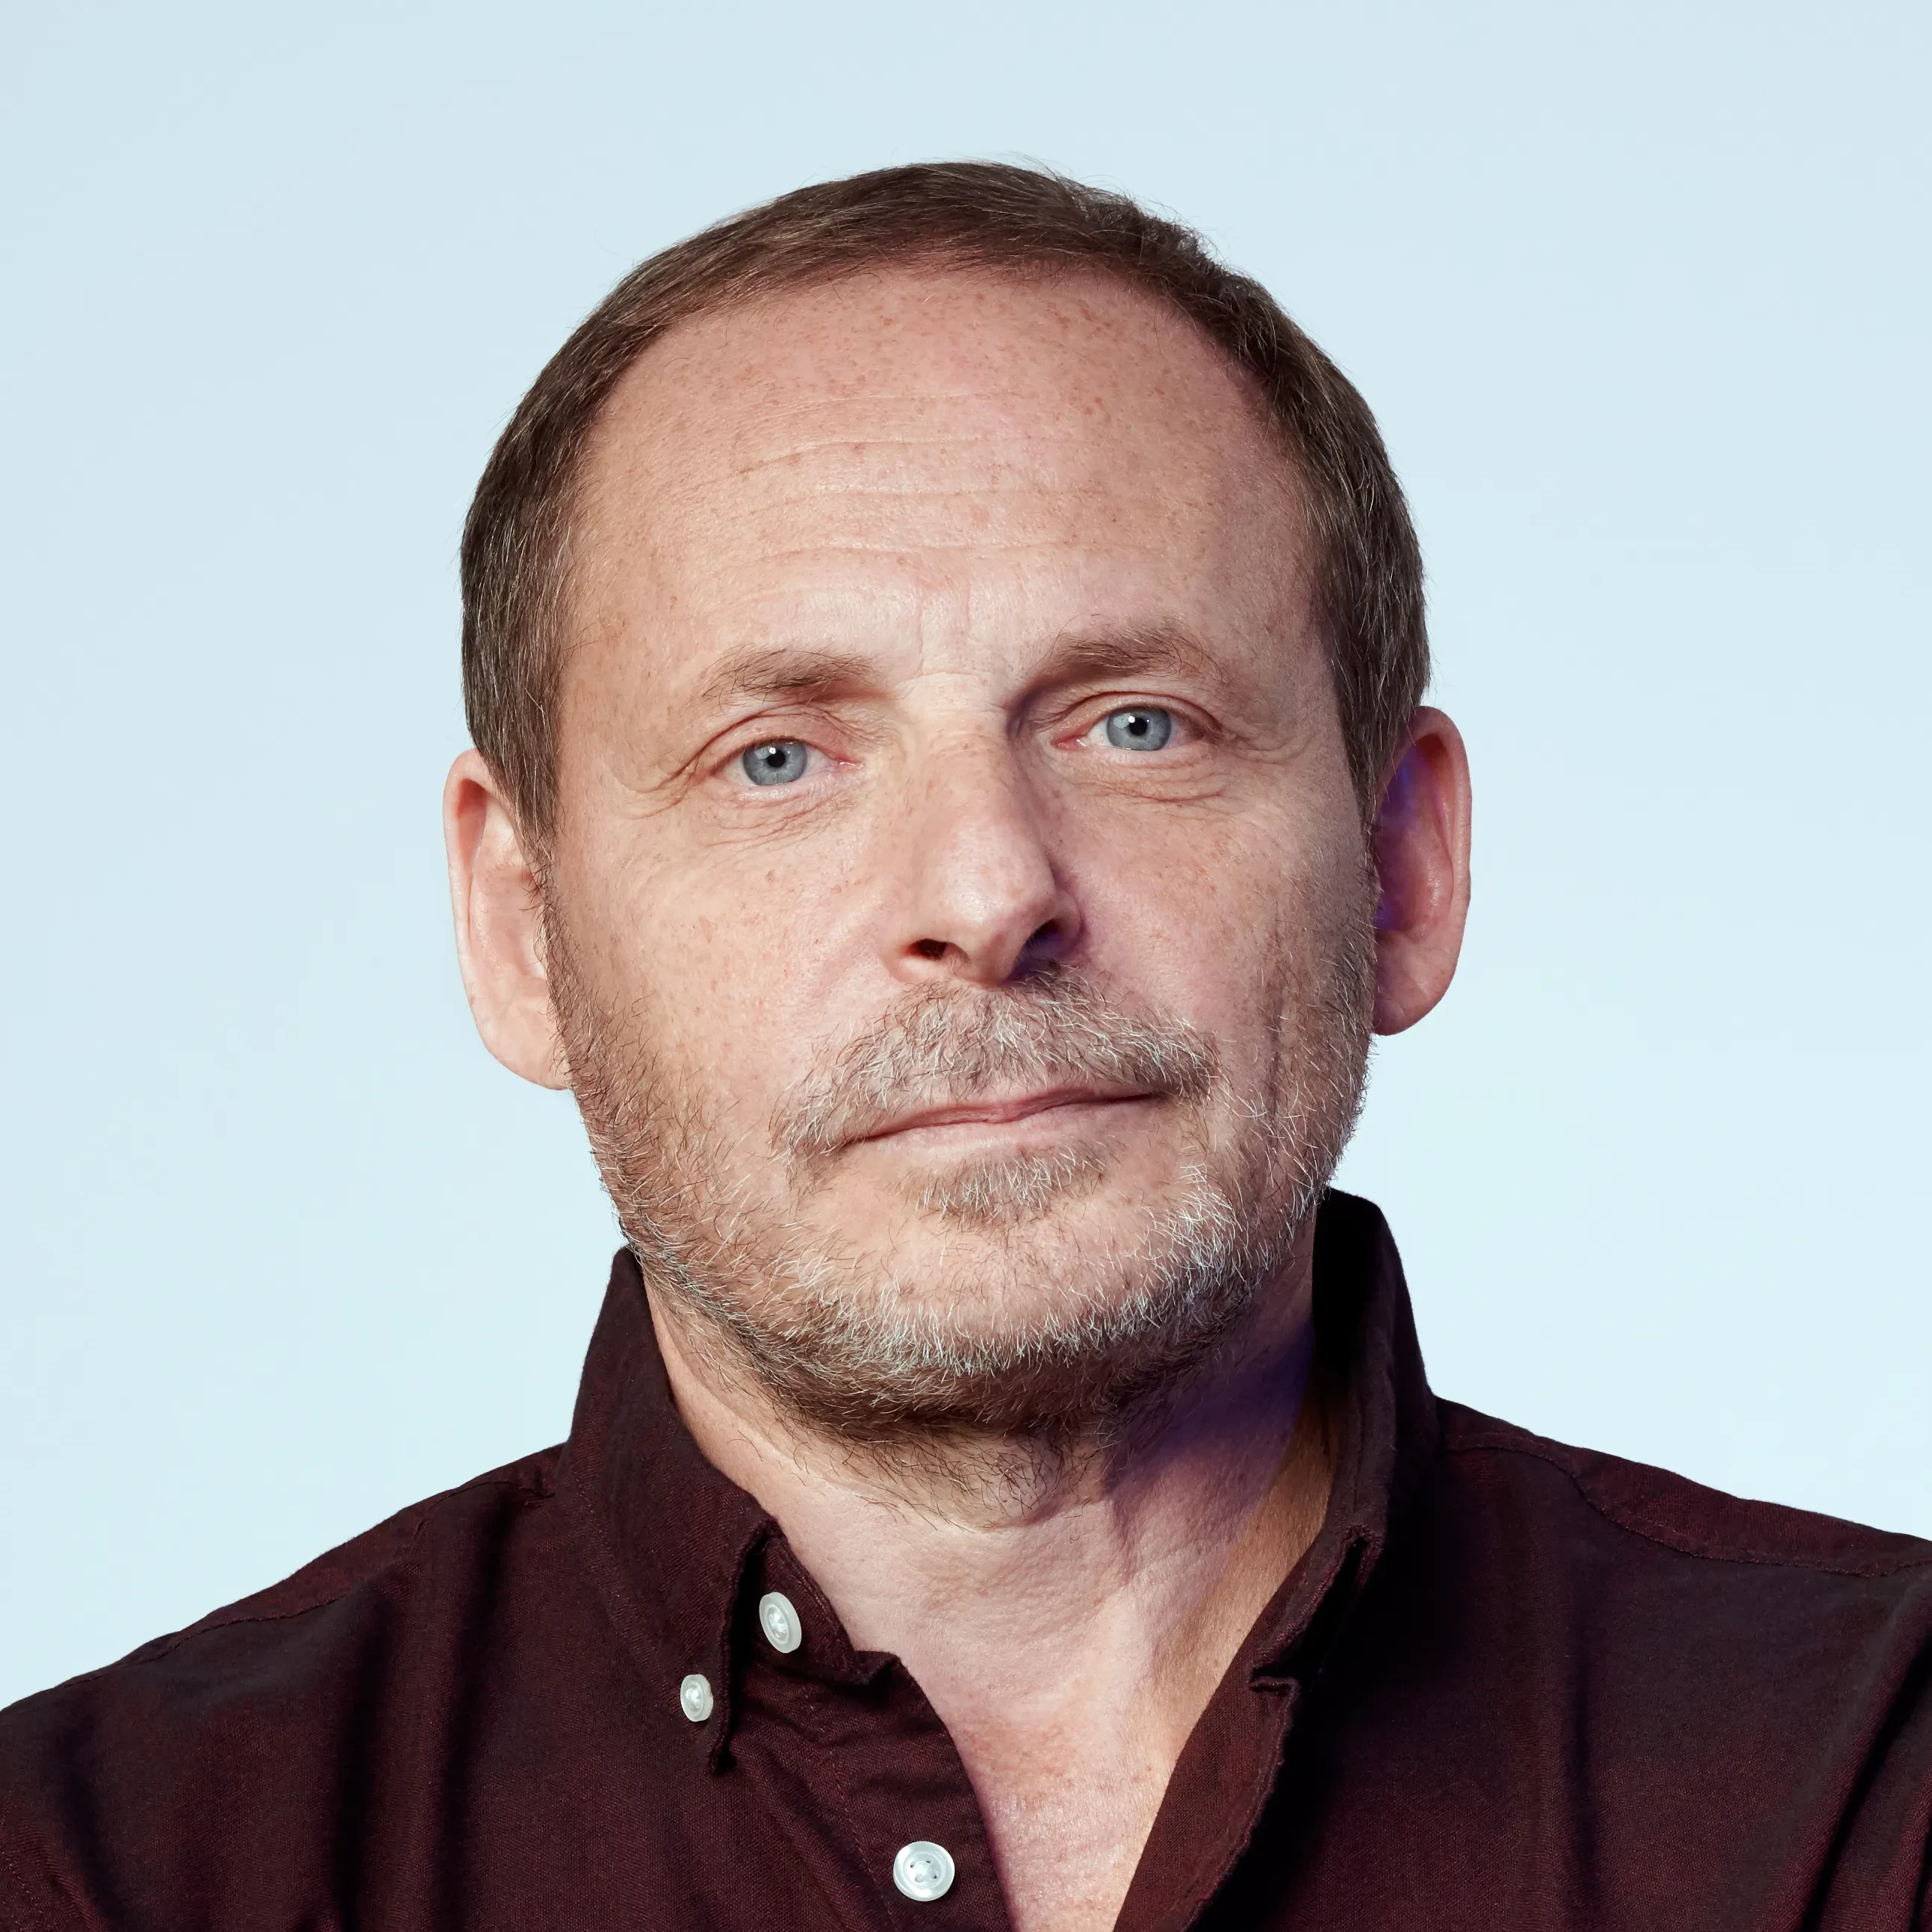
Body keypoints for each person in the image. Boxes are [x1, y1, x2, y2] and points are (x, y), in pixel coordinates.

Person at [2, 161, 1928, 1932]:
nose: (990, 890)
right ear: (522, 928)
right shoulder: (104, 1872)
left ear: (1402, 865)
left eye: (1137, 723)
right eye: (779, 758)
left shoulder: (1874, 1790)